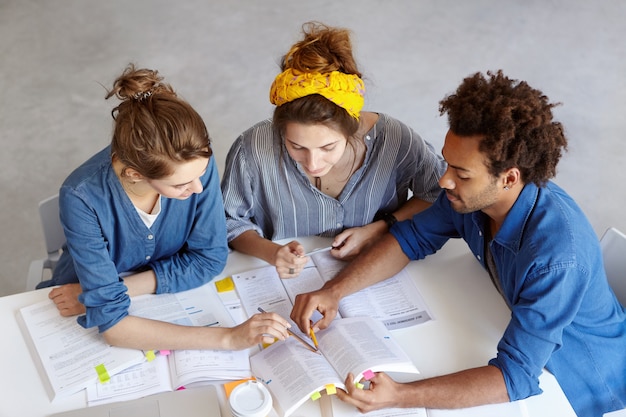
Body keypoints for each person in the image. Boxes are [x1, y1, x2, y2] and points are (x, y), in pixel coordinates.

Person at [291, 70, 626, 416]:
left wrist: (400, 395)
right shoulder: (471, 199)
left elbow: (513, 378)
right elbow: (411, 238)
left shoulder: (557, 258)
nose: (444, 180)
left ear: (509, 177)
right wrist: (334, 291)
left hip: (583, 390)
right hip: (510, 333)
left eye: (461, 173)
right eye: (449, 164)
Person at [37, 64, 291, 351]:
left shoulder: (193, 163)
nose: (198, 188)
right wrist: (228, 338)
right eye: (180, 185)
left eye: (200, 175)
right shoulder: (81, 197)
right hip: (73, 298)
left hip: (108, 293)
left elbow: (210, 258)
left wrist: (111, 292)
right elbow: (115, 328)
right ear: (135, 174)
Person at [221, 22, 446, 278]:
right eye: (296, 146)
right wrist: (273, 252)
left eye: (328, 147)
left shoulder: (395, 139)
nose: (313, 163)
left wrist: (381, 228)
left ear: (352, 128)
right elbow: (230, 221)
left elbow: (436, 192)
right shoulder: (251, 148)